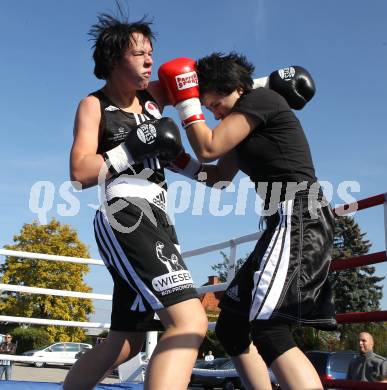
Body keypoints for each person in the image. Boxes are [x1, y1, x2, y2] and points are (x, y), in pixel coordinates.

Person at [158, 53, 337, 390]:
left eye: (216, 104)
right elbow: (219, 177)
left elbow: (208, 147)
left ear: (238, 89)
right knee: (231, 327)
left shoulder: (263, 100)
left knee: (270, 329)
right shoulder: (243, 122)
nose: (214, 113)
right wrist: (177, 161)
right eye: (208, 108)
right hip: (282, 222)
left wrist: (185, 102)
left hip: (299, 216)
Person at [63, 13, 209, 390]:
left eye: (151, 53)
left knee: (124, 342)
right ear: (114, 60)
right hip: (125, 211)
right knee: (190, 320)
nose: (149, 60)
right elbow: (79, 172)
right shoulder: (94, 105)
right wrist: (128, 150)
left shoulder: (153, 97)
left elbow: (200, 81)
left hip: (159, 214)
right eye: (139, 53)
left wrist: (263, 85)